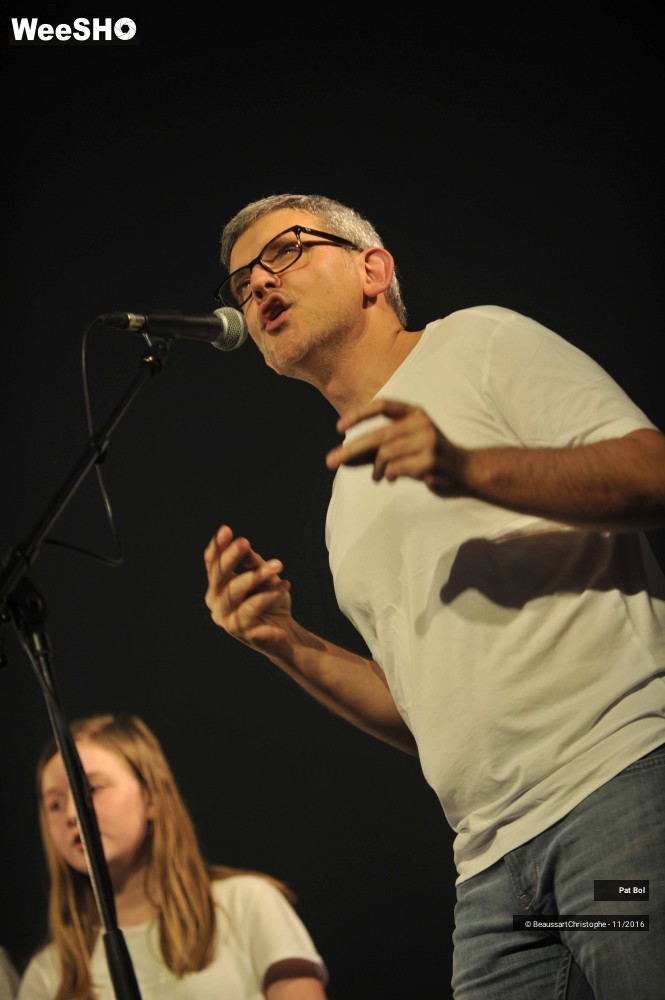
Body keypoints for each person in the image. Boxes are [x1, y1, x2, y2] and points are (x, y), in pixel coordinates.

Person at [203, 193, 665, 999]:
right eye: (242, 281)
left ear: (372, 270)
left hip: (616, 796)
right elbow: (423, 713)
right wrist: (285, 641)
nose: (258, 287)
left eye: (285, 252)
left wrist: (470, 468)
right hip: (489, 872)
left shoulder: (478, 342)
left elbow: (652, 474)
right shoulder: (345, 498)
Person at [17, 713, 328, 1000]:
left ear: (151, 795)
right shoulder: (50, 973)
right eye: (55, 804)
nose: (72, 814)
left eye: (92, 789)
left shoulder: (244, 904)